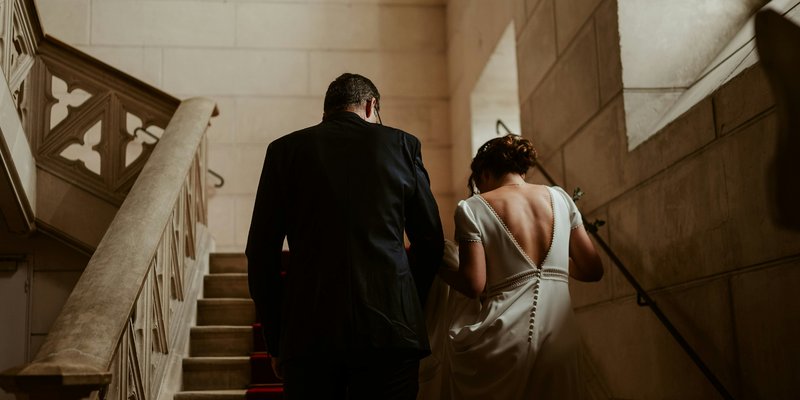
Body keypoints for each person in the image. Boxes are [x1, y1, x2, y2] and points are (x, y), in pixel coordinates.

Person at [246, 73, 444, 400]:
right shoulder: (402, 145)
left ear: (327, 111)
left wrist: (277, 337)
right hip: (391, 330)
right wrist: (407, 304)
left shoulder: (284, 151)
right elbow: (430, 241)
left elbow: (261, 253)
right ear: (371, 106)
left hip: (308, 333)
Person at [419, 134, 604, 399]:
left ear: (483, 173)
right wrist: (553, 263)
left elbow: (473, 285)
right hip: (562, 340)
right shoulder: (560, 199)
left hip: (504, 342)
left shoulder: (473, 208)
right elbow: (593, 270)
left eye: (477, 185)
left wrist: (436, 265)